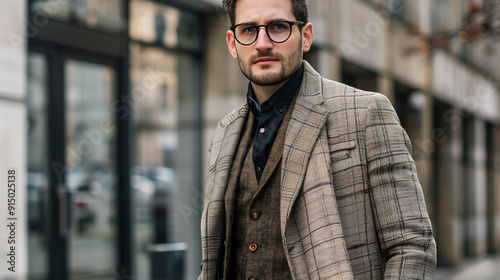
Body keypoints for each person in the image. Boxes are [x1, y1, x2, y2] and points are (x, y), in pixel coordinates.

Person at [199, 0, 437, 279]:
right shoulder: (224, 132)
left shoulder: (367, 113)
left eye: (278, 27)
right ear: (232, 42)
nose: (262, 43)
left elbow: (412, 247)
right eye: (249, 29)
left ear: (306, 36)